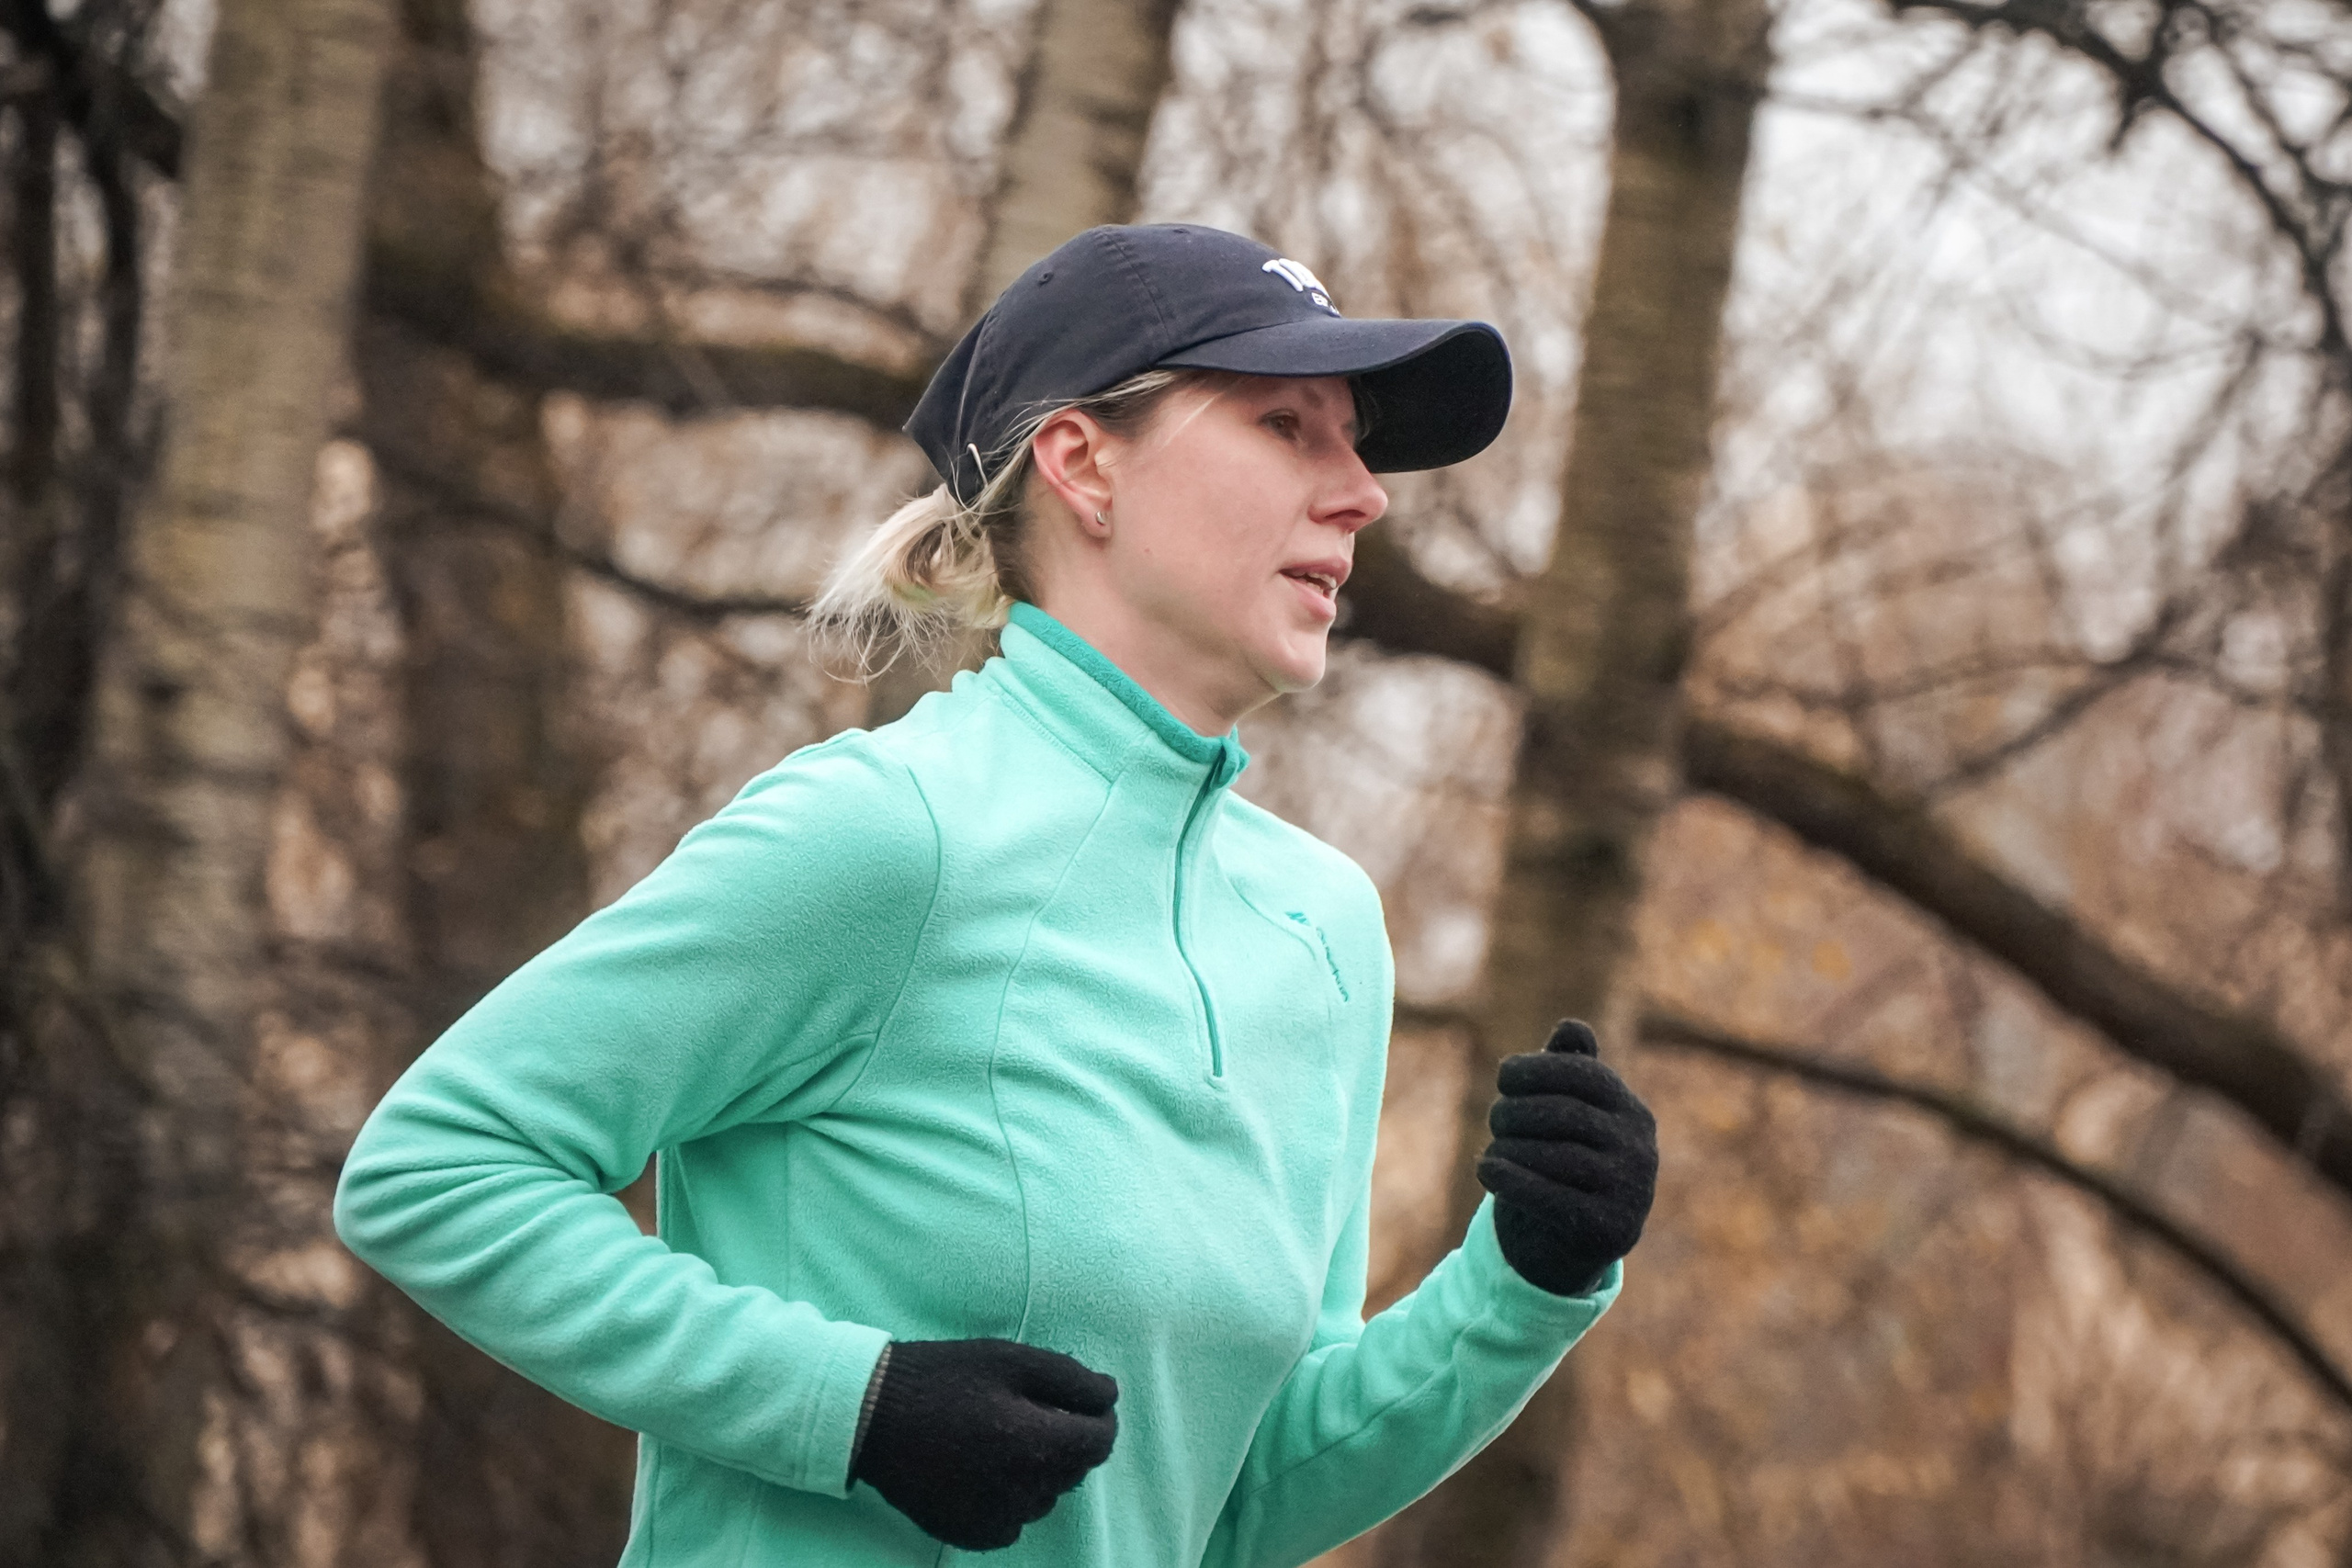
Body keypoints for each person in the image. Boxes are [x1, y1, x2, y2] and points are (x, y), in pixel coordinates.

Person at [334, 222, 1658, 1567]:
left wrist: (1528, 1281)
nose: (1362, 491)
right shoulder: (885, 835)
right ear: (1083, 463)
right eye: (1285, 426)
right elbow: (436, 1170)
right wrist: (852, 1409)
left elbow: (1240, 1500)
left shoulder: (1322, 935)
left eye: (1356, 441)